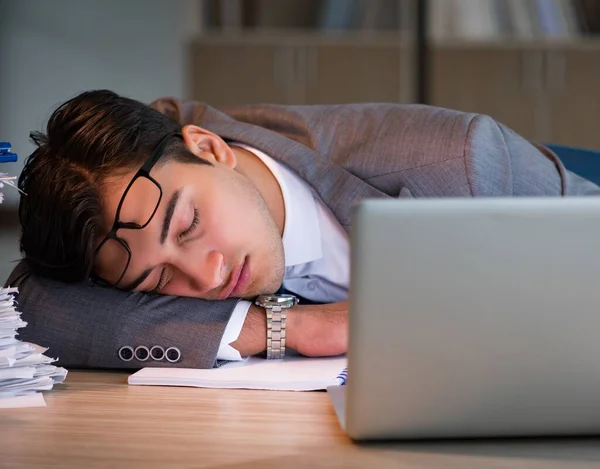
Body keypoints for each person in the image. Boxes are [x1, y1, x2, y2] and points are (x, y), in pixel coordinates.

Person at [6, 90, 600, 369]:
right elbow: (31, 309)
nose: (210, 276)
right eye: (159, 277)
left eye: (187, 226)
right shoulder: (145, 178)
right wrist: (286, 328)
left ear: (210, 149)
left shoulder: (461, 164)